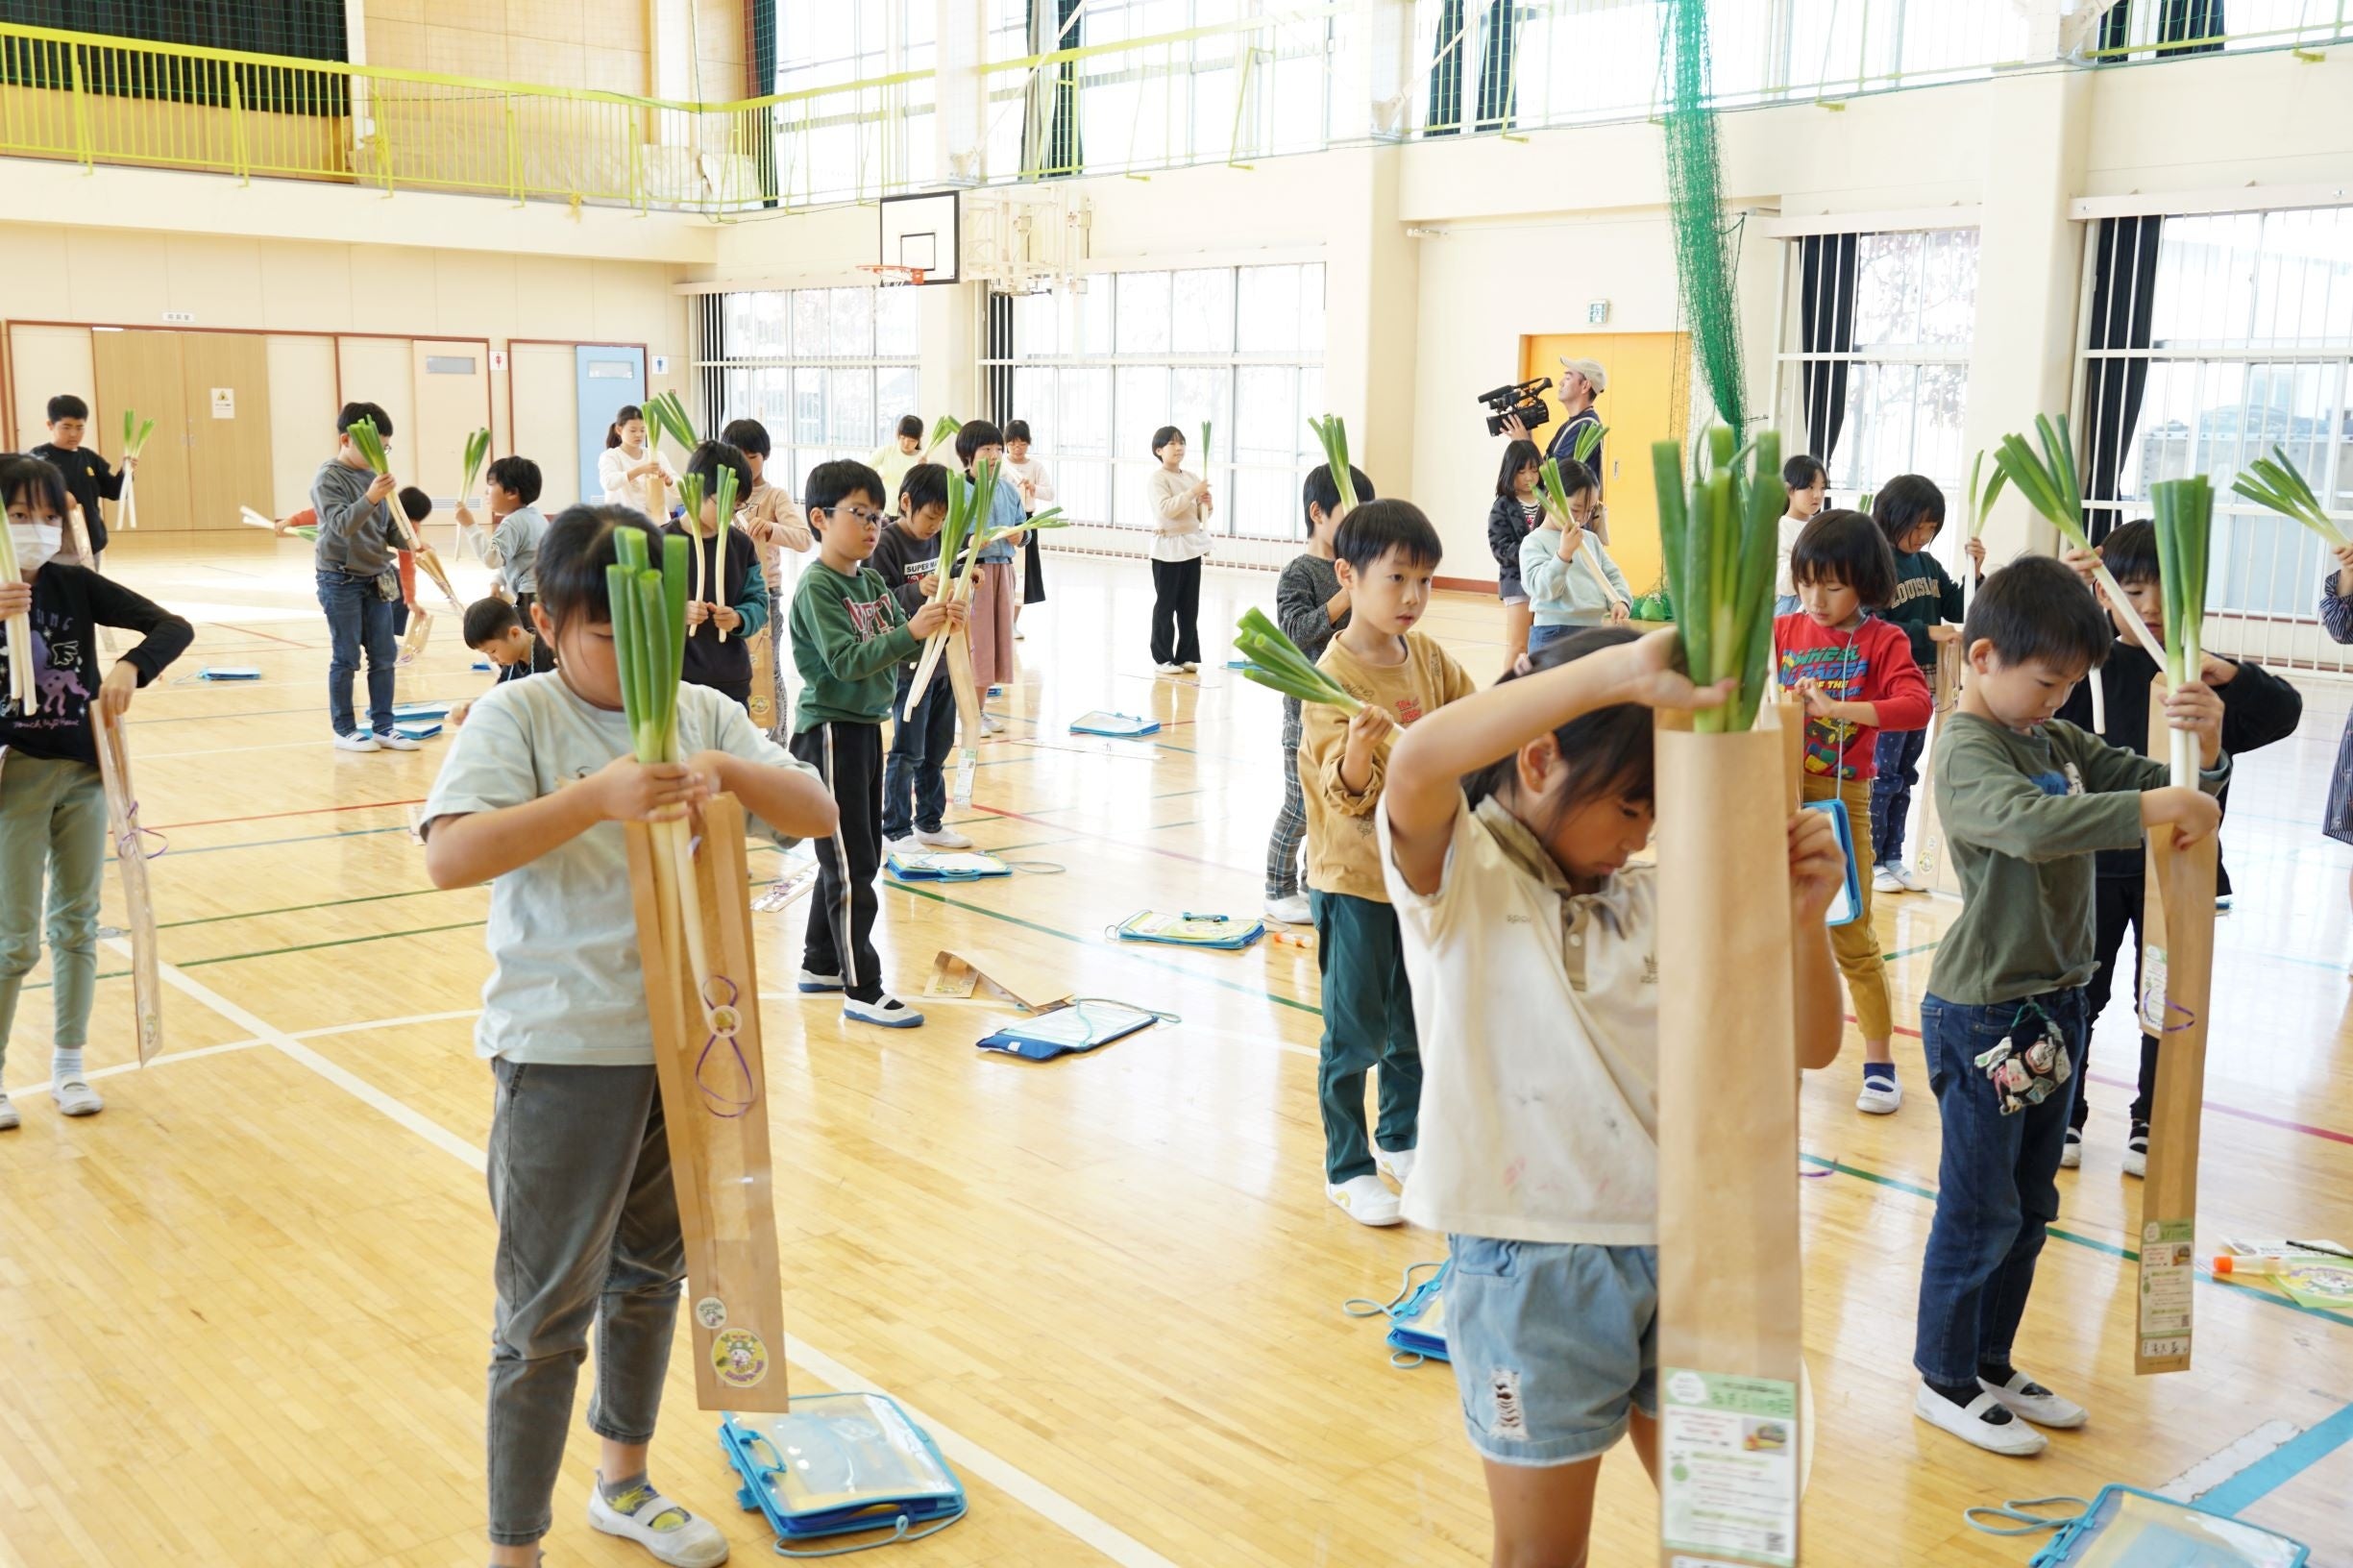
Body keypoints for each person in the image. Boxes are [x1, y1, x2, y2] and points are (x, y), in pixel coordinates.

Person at [419, 503, 836, 1568]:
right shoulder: (517, 716)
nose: (630, 658)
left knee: (650, 1277)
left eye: (646, 633)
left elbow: (816, 813)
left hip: (689, 1051)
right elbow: (451, 856)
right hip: (564, 1052)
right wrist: (597, 798)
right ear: (547, 624)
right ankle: (515, 1546)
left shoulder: (703, 710)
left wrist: (729, 774)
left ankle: (625, 1482)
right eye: (605, 635)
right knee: (542, 1317)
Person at [1380, 626, 1845, 1563]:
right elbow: (1417, 761)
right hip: (1533, 1272)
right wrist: (1618, 673)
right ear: (1538, 758)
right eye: (1630, 807)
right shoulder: (1462, 876)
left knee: (1741, 1538)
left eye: (1655, 816)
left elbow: (1812, 1044)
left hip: (1698, 1255)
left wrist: (1804, 921)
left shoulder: (1655, 896)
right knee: (1542, 1554)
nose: (1638, 839)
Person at [1911, 554, 2225, 1457]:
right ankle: (1942, 1376)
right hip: (1983, 1015)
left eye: (2068, 686)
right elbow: (2030, 825)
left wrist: (2203, 750)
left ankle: (1989, 1361)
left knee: (2027, 1205)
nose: (2056, 700)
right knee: (1979, 1210)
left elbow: (2147, 773)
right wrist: (2154, 806)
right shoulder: (1967, 750)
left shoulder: (2051, 739)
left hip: (2054, 1006)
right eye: (2046, 682)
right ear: (1981, 658)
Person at [2057, 522, 2299, 1173]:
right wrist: (2061, 595)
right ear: (2103, 594)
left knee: (2168, 1001)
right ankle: (2065, 1115)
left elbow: (2283, 711)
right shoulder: (2080, 670)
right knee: (2081, 994)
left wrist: (2230, 674)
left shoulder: (2197, 678)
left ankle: (2152, 1120)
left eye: (2169, 593)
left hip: (2178, 870)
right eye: (2133, 592)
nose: (2153, 609)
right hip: (2094, 869)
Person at [1295, 501, 1478, 1226]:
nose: (1412, 596)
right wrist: (1361, 749)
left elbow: (1469, 720)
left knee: (1414, 1018)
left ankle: (1401, 1138)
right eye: (1397, 578)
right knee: (1354, 1032)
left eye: (1424, 580)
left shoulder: (1426, 658)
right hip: (1356, 884)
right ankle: (1346, 1166)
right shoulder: (1329, 676)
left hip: (1420, 879)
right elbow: (1340, 795)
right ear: (1347, 575)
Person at [0, 453, 192, 1132]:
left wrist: (132, 664)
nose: (35, 527)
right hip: (13, 782)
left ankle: (69, 1064)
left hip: (84, 774)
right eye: (18, 515)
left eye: (47, 515)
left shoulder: (72, 584)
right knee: (14, 940)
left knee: (77, 924)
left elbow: (173, 626)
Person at [789, 458, 966, 1028]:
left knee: (851, 855)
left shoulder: (868, 582)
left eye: (877, 516)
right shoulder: (818, 585)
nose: (872, 527)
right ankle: (862, 988)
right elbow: (846, 661)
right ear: (820, 518)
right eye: (859, 514)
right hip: (829, 733)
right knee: (852, 862)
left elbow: (899, 643)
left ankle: (820, 963)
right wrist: (911, 630)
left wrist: (938, 621)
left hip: (864, 728)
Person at [1774, 510, 1932, 1115]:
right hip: (1776, 795)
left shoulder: (1882, 641)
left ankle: (1880, 1063)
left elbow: (1915, 706)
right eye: (1807, 583)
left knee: (1852, 931)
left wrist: (1840, 709)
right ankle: (1783, 1048)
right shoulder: (1782, 632)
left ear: (1865, 584)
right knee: (1776, 930)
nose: (1816, 599)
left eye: (1834, 586)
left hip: (1843, 799)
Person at [1265, 461, 1374, 927]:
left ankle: (1316, 881)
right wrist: (1346, 594)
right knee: (1300, 805)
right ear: (1318, 513)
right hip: (1305, 711)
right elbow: (1295, 632)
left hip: (1347, 710)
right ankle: (1277, 888)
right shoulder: (1300, 572)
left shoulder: (1357, 570)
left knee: (1332, 803)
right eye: (1350, 516)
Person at [1871, 476, 1985, 892]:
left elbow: (1960, 607)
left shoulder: (1928, 565)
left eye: (1931, 528)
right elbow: (1871, 625)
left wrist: (1974, 572)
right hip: (1889, 684)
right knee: (1883, 774)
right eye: (1917, 526)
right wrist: (1926, 632)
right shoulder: (1874, 563)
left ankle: (1893, 856)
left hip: (1925, 684)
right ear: (1892, 517)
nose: (1923, 536)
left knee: (1906, 773)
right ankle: (1870, 859)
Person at [870, 462, 970, 853]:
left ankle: (929, 822)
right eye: (931, 516)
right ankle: (894, 828)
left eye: (943, 518)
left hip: (942, 660)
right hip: (910, 663)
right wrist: (917, 591)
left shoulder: (942, 537)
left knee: (937, 748)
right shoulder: (886, 543)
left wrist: (965, 580)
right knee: (908, 749)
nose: (936, 525)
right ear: (906, 502)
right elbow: (878, 601)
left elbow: (953, 570)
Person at [311, 402, 416, 754]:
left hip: (376, 575)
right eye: (374, 449)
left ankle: (384, 726)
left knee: (384, 655)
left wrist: (412, 542)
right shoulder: (329, 477)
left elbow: (387, 526)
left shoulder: (374, 477)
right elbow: (341, 525)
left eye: (385, 449)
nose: (379, 457)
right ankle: (343, 729)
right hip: (339, 578)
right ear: (346, 440)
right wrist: (372, 495)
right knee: (346, 657)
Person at [720, 418, 812, 740]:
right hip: (725, 596)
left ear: (766, 456)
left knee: (767, 671)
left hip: (765, 594)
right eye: (738, 456)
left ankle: (778, 742)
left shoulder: (774, 496)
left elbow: (804, 539)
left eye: (752, 456)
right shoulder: (719, 496)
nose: (746, 464)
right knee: (731, 670)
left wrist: (771, 528)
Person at [664, 441, 768, 711]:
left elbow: (759, 602)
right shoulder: (660, 542)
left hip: (731, 681)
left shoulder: (741, 546)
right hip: (676, 682)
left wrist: (738, 618)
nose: (729, 515)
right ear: (696, 490)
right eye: (724, 504)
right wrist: (676, 612)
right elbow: (640, 608)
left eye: (736, 507)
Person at [955, 419, 1023, 732]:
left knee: (993, 648)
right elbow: (944, 534)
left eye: (998, 449)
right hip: (973, 573)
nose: (994, 455)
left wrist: (1020, 536)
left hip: (1002, 572)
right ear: (968, 453)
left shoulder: (1008, 489)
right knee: (976, 646)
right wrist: (969, 541)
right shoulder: (958, 489)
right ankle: (965, 714)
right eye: (986, 449)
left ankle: (978, 711)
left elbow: (1024, 528)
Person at [1520, 458, 1630, 649]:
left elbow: (1612, 576)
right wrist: (1564, 554)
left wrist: (1619, 601)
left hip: (1593, 631)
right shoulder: (1535, 542)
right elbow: (1542, 590)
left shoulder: (1591, 540)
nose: (1582, 518)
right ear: (1552, 500)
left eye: (1589, 510)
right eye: (1575, 509)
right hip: (1552, 633)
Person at [32, 395, 132, 564]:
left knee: (88, 580)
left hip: (91, 541)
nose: (73, 434)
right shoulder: (38, 458)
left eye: (80, 428)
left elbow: (115, 492)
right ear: (50, 425)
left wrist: (126, 472)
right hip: (54, 544)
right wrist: (57, 495)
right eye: (66, 427)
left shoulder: (89, 458)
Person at [1145, 425, 1212, 674]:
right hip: (1168, 549)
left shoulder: (1191, 477)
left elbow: (1198, 516)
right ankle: (1163, 658)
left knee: (1189, 605)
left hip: (1190, 546)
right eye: (1172, 443)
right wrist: (1193, 492)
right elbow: (1166, 510)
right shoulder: (1158, 479)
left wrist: (1207, 504)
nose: (1178, 447)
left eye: (1181, 442)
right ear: (1158, 450)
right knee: (1166, 605)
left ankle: (1187, 655)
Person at [460, 455, 550, 626]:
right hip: (544, 591)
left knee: (525, 637)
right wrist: (498, 581)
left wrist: (470, 525)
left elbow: (492, 558)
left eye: (491, 485)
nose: (487, 491)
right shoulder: (536, 517)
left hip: (528, 596)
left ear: (512, 492)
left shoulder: (512, 523)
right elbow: (514, 558)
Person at [1487, 438, 1544, 668]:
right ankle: (1506, 686)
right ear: (1510, 472)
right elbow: (1499, 548)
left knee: (1540, 644)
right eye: (1521, 471)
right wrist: (1532, 552)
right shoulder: (1502, 505)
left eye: (1534, 469)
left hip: (1545, 581)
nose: (1529, 477)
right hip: (1516, 581)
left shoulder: (1549, 500)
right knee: (1519, 644)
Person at [1001, 419, 1056, 635]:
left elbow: (1049, 493)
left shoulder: (1035, 466)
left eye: (1022, 444)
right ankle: (1001, 622)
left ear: (1029, 443)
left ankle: (1012, 623)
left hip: (1026, 521)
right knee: (1001, 572)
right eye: (1013, 443)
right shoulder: (1001, 464)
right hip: (1002, 522)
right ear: (1006, 443)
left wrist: (1033, 487)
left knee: (1021, 575)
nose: (1017, 448)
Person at [1547, 356, 1608, 543]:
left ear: (1585, 386)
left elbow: (1555, 477)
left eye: (1568, 377)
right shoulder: (1573, 424)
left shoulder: (1584, 427)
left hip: (1567, 529)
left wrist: (1523, 441)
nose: (1560, 382)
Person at [463, 594, 551, 696]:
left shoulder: (550, 658)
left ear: (514, 634)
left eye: (493, 651)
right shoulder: (512, 659)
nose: (492, 659)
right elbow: (498, 693)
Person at [599, 405, 675, 520]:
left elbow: (678, 491)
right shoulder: (610, 456)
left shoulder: (656, 456)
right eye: (633, 430)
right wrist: (641, 470)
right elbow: (609, 483)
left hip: (657, 522)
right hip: (624, 522)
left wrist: (669, 481)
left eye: (642, 430)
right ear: (619, 430)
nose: (639, 435)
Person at [1776, 453, 1828, 614]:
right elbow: (1781, 581)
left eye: (1822, 488)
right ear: (1789, 489)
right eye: (1810, 487)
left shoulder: (1820, 524)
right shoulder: (1782, 527)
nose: (1817, 495)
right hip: (1791, 607)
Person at [870, 413, 925, 502]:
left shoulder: (922, 459)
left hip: (909, 508)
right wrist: (874, 477)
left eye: (912, 440)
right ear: (897, 434)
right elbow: (864, 470)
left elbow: (923, 490)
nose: (906, 444)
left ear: (919, 438)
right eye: (903, 438)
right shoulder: (886, 451)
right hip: (884, 506)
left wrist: (923, 470)